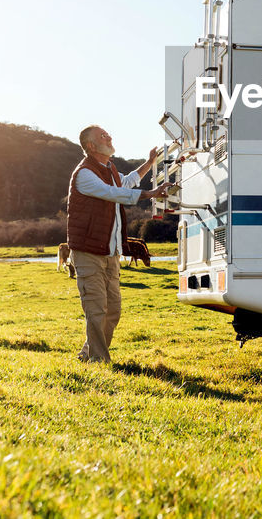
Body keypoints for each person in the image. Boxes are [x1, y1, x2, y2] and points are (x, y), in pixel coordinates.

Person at [67, 125, 167, 363]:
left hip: (110, 252)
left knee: (112, 311)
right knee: (96, 310)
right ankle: (99, 362)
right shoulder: (84, 174)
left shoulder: (109, 169)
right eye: (103, 135)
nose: (109, 137)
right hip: (88, 252)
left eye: (108, 134)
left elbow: (128, 182)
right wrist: (152, 194)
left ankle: (87, 355)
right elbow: (112, 193)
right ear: (91, 146)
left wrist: (149, 162)